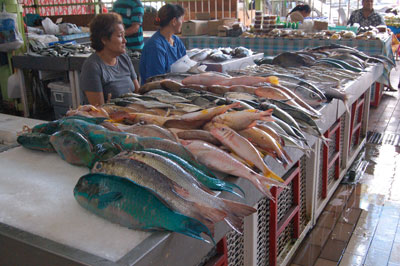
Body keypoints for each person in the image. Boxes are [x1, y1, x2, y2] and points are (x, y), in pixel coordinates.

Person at [80, 13, 140, 106]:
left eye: (124, 35)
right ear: (104, 39)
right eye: (120, 36)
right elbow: (99, 110)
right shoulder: (92, 67)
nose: (125, 41)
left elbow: (138, 93)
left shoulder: (124, 58)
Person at [139, 4, 186, 84]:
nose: (183, 22)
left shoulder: (176, 41)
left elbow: (186, 64)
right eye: (181, 19)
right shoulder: (155, 47)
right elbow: (157, 81)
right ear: (174, 21)